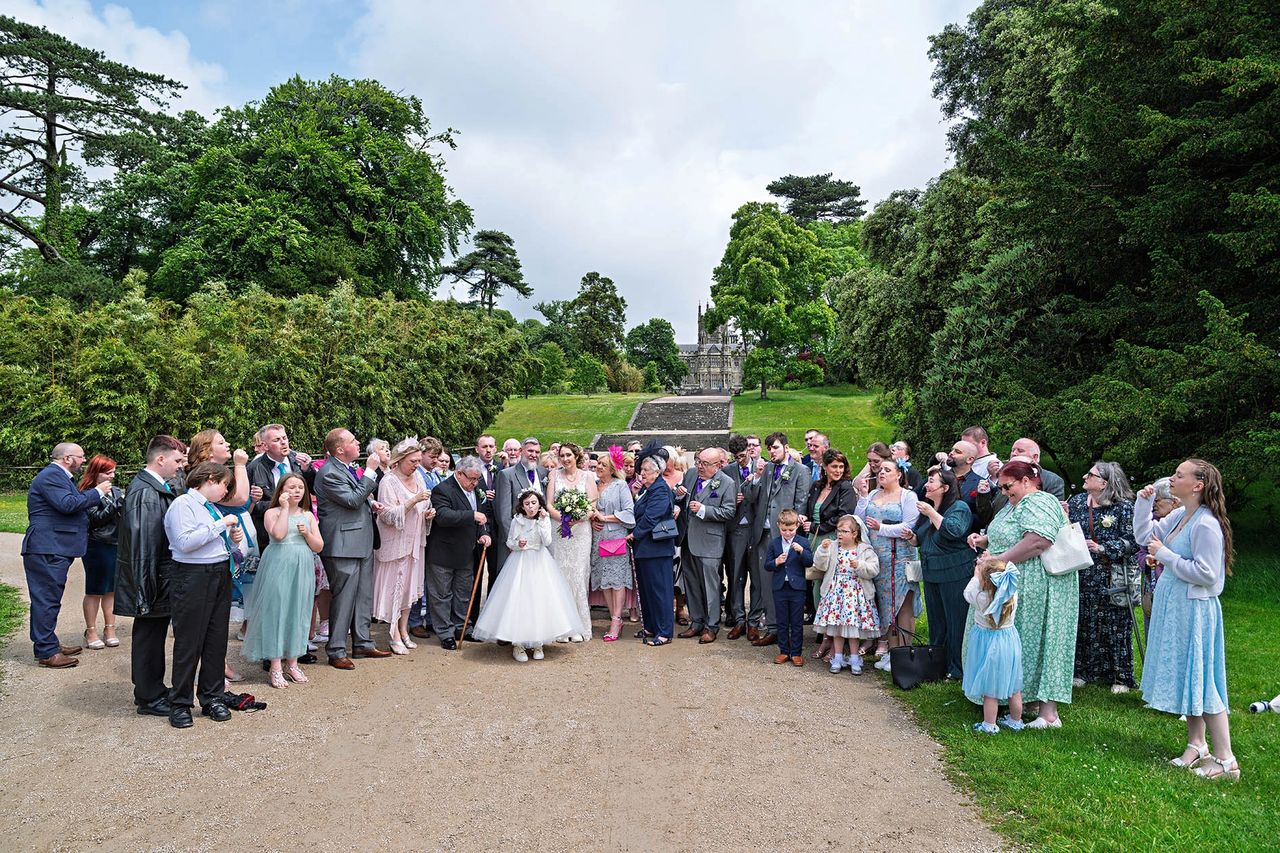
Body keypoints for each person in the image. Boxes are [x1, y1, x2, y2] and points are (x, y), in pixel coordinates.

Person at [1135, 460, 1239, 780]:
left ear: (1198, 485)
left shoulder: (1206, 524)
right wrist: (1144, 503)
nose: (1172, 478)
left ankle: (1225, 761)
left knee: (1202, 679)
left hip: (1194, 609)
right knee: (1188, 675)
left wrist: (1165, 556)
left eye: (1179, 475)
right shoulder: (1182, 514)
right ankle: (1197, 744)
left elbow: (1209, 576)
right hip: (1176, 606)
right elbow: (1145, 535)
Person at [968, 460, 1075, 729]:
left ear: (1027, 481)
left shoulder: (1038, 500)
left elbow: (1039, 540)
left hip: (1039, 583)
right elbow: (1013, 534)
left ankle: (1048, 713)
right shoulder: (1015, 503)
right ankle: (1022, 702)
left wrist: (997, 562)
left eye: (1008, 486)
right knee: (1019, 642)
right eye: (1001, 486)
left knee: (1040, 638)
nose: (1003, 491)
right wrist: (985, 543)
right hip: (1014, 581)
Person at [163, 462, 245, 728]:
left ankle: (212, 696)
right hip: (192, 575)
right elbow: (185, 543)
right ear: (209, 478)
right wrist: (221, 524)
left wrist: (232, 538)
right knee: (189, 641)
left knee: (215, 638)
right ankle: (180, 702)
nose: (225, 491)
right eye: (224, 485)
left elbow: (209, 540)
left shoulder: (210, 508)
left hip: (218, 572)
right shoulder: (183, 505)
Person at [21, 442, 111, 668]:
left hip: (53, 546)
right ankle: (46, 651)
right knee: (46, 600)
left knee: (49, 598)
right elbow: (68, 504)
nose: (84, 461)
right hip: (47, 546)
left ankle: (47, 643)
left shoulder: (59, 477)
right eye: (81, 457)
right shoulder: (51, 476)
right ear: (68, 458)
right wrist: (98, 492)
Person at [116, 435, 186, 716]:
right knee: (148, 637)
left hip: (157, 577)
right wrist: (145, 592)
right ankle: (148, 696)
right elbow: (143, 547)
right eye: (177, 460)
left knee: (153, 636)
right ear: (160, 459)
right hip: (153, 579)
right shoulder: (146, 493)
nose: (181, 466)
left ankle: (153, 688)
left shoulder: (154, 488)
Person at [474, 490, 588, 659]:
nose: (531, 507)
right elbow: (510, 542)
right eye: (527, 504)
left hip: (540, 560)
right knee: (519, 599)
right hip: (520, 561)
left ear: (539, 503)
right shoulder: (517, 520)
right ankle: (518, 643)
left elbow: (547, 541)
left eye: (534, 503)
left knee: (539, 599)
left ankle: (538, 643)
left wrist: (542, 521)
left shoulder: (544, 519)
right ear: (522, 506)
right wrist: (518, 544)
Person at [314, 428, 391, 669]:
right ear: (339, 449)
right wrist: (370, 471)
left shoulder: (345, 468)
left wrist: (370, 502)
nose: (358, 444)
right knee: (345, 597)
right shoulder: (328, 473)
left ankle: (363, 643)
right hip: (343, 544)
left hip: (362, 539)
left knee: (363, 595)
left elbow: (357, 498)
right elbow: (350, 500)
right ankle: (336, 650)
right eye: (353, 441)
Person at [240, 473, 324, 688]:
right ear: (282, 490)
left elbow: (319, 546)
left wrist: (307, 535)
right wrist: (285, 509)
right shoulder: (272, 512)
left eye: (300, 487)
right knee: (276, 610)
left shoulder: (308, 515)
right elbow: (278, 534)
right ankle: (276, 665)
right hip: (278, 562)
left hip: (302, 563)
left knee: (299, 610)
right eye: (291, 487)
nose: (297, 491)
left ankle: (293, 662)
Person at [1068, 461, 1139, 693]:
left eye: (1091, 474)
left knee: (1116, 624)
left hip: (1111, 574)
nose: (1085, 477)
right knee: (1083, 621)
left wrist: (1103, 548)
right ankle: (1082, 671)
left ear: (1104, 483)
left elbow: (1134, 541)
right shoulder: (1077, 502)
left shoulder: (1124, 508)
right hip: (1081, 571)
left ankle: (1120, 676)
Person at [741, 432, 812, 648]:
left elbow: (800, 503)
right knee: (765, 582)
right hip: (763, 534)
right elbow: (750, 497)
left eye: (776, 448)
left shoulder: (800, 471)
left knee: (787, 584)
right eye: (769, 448)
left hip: (785, 534)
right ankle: (772, 628)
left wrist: (792, 532)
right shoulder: (767, 469)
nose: (772, 452)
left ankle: (789, 631)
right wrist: (756, 477)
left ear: (787, 448)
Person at [904, 467, 973, 680]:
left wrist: (932, 513)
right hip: (932, 574)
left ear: (945, 487)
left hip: (955, 573)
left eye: (931, 481)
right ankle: (937, 664)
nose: (926, 485)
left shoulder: (959, 507)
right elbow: (922, 537)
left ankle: (958, 669)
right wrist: (912, 538)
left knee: (956, 621)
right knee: (937, 622)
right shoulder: (930, 509)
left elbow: (953, 531)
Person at [856, 459, 921, 670]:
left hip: (900, 557)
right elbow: (859, 520)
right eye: (880, 470)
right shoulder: (874, 495)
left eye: (887, 470)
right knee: (886, 606)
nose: (881, 473)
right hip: (878, 560)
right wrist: (864, 497)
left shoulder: (908, 496)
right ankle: (892, 652)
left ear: (898, 474)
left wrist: (881, 528)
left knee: (903, 605)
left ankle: (906, 651)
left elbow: (909, 525)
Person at [373, 439, 435, 654]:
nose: (416, 465)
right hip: (395, 545)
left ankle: (404, 629)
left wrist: (428, 515)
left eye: (419, 460)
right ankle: (393, 634)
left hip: (415, 543)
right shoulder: (388, 482)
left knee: (409, 589)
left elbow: (424, 505)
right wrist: (414, 501)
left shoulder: (418, 477)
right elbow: (387, 515)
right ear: (399, 460)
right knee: (395, 590)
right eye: (412, 461)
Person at [424, 455, 492, 650]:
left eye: (477, 479)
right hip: (443, 552)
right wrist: (471, 515)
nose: (475, 483)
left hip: (467, 552)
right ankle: (445, 632)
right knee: (442, 595)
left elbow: (481, 518)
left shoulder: (476, 490)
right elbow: (443, 516)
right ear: (459, 473)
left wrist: (484, 534)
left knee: (463, 594)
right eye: (471, 478)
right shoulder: (443, 489)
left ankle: (462, 627)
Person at [679, 447, 737, 644]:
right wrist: (679, 495)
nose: (699, 466)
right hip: (688, 539)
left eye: (705, 463)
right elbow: (683, 500)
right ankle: (696, 621)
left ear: (718, 465)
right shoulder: (691, 474)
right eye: (698, 462)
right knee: (692, 584)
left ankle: (711, 626)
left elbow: (728, 512)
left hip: (710, 541)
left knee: (711, 586)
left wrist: (704, 509)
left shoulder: (727, 483)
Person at [803, 449, 856, 658]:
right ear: (825, 467)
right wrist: (804, 520)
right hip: (814, 539)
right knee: (816, 584)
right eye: (834, 466)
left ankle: (834, 640)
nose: (838, 470)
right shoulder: (817, 486)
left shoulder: (845, 488)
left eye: (841, 467)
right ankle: (824, 633)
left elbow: (844, 516)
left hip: (834, 539)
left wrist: (819, 525)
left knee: (831, 587)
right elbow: (810, 510)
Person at [963, 558, 1024, 734]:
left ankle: (989, 725)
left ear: (985, 581)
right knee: (1013, 685)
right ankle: (1016, 720)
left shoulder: (980, 597)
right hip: (1009, 641)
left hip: (987, 642)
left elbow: (967, 593)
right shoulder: (1012, 595)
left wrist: (976, 575)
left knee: (990, 688)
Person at [812, 514, 879, 674]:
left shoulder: (864, 550)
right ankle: (838, 658)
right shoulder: (834, 547)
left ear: (855, 533)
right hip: (836, 593)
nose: (840, 534)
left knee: (853, 628)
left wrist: (860, 565)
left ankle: (855, 659)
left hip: (855, 594)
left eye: (844, 531)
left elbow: (873, 569)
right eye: (838, 530)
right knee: (837, 628)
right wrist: (822, 550)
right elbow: (820, 565)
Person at [546, 442, 598, 642]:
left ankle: (578, 625)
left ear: (576, 456)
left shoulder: (587, 477)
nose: (565, 459)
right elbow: (549, 503)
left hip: (581, 531)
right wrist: (563, 519)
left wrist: (577, 518)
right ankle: (561, 627)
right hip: (559, 530)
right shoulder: (554, 476)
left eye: (569, 455)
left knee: (578, 575)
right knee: (560, 575)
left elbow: (593, 505)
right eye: (562, 455)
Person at [589, 447, 635, 642]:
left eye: (603, 465)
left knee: (616, 581)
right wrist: (592, 519)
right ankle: (612, 616)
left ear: (612, 468)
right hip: (597, 538)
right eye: (598, 464)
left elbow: (629, 513)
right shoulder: (593, 484)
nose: (598, 467)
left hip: (615, 538)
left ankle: (616, 620)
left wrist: (605, 517)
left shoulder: (620, 486)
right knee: (604, 580)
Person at [630, 453, 675, 646]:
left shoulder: (660, 490)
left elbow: (651, 517)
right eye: (641, 471)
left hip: (657, 548)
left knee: (660, 590)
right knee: (647, 590)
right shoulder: (648, 489)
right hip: (645, 548)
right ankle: (650, 625)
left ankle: (664, 631)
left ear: (657, 472)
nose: (642, 474)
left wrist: (634, 534)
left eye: (646, 471)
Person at [79, 454, 123, 650]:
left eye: (113, 471)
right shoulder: (87, 492)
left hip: (116, 543)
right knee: (95, 589)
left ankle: (110, 629)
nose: (112, 476)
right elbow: (95, 520)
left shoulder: (116, 491)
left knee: (112, 589)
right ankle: (91, 631)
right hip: (96, 545)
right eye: (108, 472)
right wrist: (116, 504)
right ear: (96, 473)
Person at [765, 508, 813, 666]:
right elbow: (767, 565)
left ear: (797, 527)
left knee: (797, 621)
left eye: (791, 530)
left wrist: (802, 551)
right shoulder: (774, 543)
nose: (787, 533)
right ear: (779, 526)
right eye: (784, 530)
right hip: (780, 587)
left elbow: (809, 562)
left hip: (797, 588)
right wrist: (776, 561)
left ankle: (796, 653)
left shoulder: (803, 542)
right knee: (782, 621)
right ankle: (784, 651)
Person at [1138, 476, 1179, 643]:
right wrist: (1146, 561)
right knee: (1152, 640)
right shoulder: (1153, 524)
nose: (1154, 504)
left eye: (1158, 500)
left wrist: (1162, 554)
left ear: (1174, 503)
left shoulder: (1184, 524)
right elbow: (1140, 550)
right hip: (1152, 588)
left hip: (1174, 590)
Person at [721, 435, 755, 639]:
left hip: (757, 528)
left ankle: (754, 621)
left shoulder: (763, 469)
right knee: (735, 575)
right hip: (735, 529)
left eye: (742, 456)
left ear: (749, 451)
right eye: (736, 457)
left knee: (757, 578)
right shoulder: (727, 472)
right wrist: (732, 500)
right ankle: (738, 617)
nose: (740, 460)